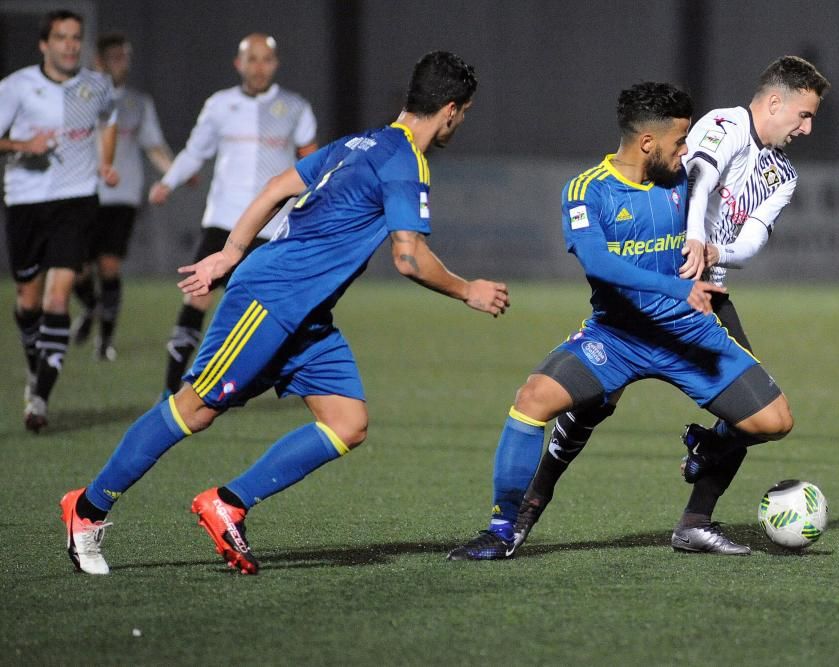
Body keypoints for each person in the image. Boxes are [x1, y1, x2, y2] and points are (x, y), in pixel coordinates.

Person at [59, 50, 510, 576]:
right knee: (193, 410)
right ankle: (86, 510)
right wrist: (467, 290)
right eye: (465, 113)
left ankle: (228, 504)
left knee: (347, 422)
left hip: (307, 315)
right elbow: (408, 257)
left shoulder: (357, 143)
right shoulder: (405, 161)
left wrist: (231, 250)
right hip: (269, 298)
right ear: (452, 109)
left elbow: (277, 187)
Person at [448, 81, 793, 562]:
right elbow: (598, 264)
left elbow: (728, 184)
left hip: (687, 333)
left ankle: (705, 447)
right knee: (532, 400)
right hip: (617, 337)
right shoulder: (588, 189)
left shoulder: (683, 183)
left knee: (775, 421)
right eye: (679, 141)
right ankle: (504, 527)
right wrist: (678, 286)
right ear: (647, 143)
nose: (687, 150)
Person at [513, 56, 831, 555]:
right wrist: (694, 242)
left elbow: (749, 241)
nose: (807, 129)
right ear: (775, 102)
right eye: (804, 115)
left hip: (707, 299)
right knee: (587, 409)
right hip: (657, 293)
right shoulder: (721, 125)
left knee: (760, 418)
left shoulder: (783, 175)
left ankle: (696, 517)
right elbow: (696, 181)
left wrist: (714, 253)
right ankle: (525, 509)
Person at [148, 33, 317, 399]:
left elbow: (310, 161)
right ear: (238, 64)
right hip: (223, 220)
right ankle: (169, 389)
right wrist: (169, 181)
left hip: (273, 226)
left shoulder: (295, 107)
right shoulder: (219, 105)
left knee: (269, 309)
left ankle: (279, 383)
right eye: (251, 59)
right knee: (197, 297)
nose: (259, 67)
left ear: (276, 64)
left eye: (266, 60)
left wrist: (318, 200)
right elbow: (195, 152)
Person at [0, 9, 118, 432]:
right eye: (61, 37)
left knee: (57, 298)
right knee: (28, 301)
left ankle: (40, 398)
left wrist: (105, 163)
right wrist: (22, 144)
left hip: (76, 199)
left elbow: (109, 122)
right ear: (44, 44)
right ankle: (36, 367)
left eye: (75, 37)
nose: (70, 45)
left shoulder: (97, 86)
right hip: (26, 202)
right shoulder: (16, 87)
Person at [70, 33, 174, 360]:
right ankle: (91, 307)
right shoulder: (78, 99)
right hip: (82, 193)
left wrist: (175, 173)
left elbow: (153, 145)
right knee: (75, 269)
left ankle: (105, 343)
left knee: (110, 266)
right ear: (98, 61)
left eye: (124, 56)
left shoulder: (137, 103)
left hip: (122, 196)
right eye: (115, 57)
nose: (122, 63)